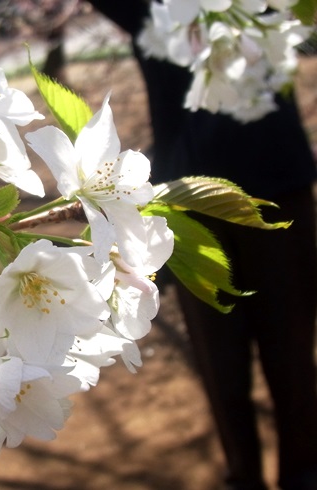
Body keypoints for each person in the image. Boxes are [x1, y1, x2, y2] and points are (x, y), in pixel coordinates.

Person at [88, 2, 317, 489]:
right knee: (221, 363)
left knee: (292, 351)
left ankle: (303, 472)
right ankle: (243, 477)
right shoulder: (154, 9)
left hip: (280, 187)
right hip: (190, 201)